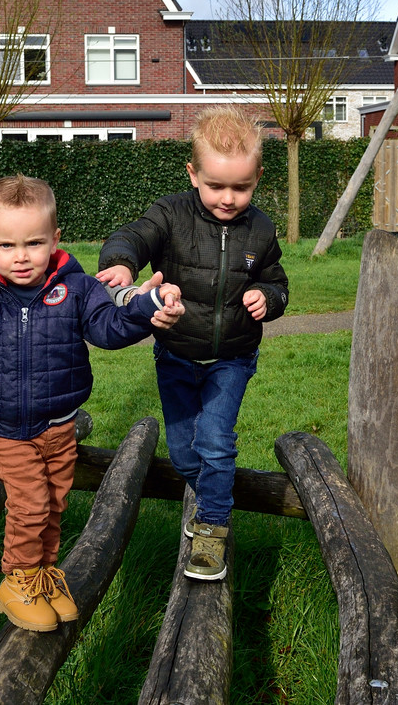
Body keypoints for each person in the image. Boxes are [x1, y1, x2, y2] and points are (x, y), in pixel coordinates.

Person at [0, 175, 184, 632]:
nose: (21, 256)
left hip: (60, 422)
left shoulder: (75, 288)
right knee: (31, 503)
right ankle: (15, 582)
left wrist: (147, 307)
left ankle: (41, 574)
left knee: (55, 502)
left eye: (34, 243)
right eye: (7, 245)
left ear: (55, 239)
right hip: (5, 426)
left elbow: (108, 328)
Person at [95, 105, 289, 582]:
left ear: (258, 178)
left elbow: (279, 282)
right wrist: (122, 262)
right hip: (176, 353)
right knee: (185, 455)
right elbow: (134, 236)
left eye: (241, 188)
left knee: (216, 443)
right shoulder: (170, 214)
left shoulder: (260, 230)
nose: (228, 198)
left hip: (233, 358)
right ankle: (210, 496)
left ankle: (213, 528)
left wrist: (268, 296)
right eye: (216, 185)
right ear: (193, 173)